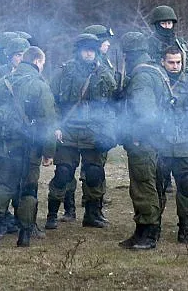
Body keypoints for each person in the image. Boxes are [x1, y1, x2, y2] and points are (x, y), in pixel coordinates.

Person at [0, 46, 57, 247]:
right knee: (28, 189)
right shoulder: (39, 85)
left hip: (4, 145)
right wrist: (49, 151)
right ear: (38, 62)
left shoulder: (1, 81)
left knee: (5, 184)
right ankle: (25, 234)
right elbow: (48, 122)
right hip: (28, 147)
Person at [47, 33, 116, 230]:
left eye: (92, 50)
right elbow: (52, 102)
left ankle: (92, 215)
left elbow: (111, 106)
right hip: (67, 131)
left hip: (93, 131)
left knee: (94, 173)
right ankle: (52, 214)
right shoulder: (64, 72)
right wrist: (56, 126)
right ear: (78, 51)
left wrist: (108, 131)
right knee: (63, 172)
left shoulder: (104, 73)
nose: (89, 53)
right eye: (86, 49)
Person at [118, 32, 170, 250]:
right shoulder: (155, 70)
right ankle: (143, 230)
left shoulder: (141, 76)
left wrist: (137, 135)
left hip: (144, 140)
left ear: (128, 54)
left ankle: (148, 233)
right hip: (158, 138)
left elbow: (144, 112)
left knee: (143, 185)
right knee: (153, 184)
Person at [156, 46, 188, 242]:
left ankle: (185, 228)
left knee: (186, 185)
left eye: (178, 62)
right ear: (163, 61)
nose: (175, 66)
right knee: (158, 186)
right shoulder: (156, 80)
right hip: (161, 143)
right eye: (171, 62)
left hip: (187, 143)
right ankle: (154, 226)